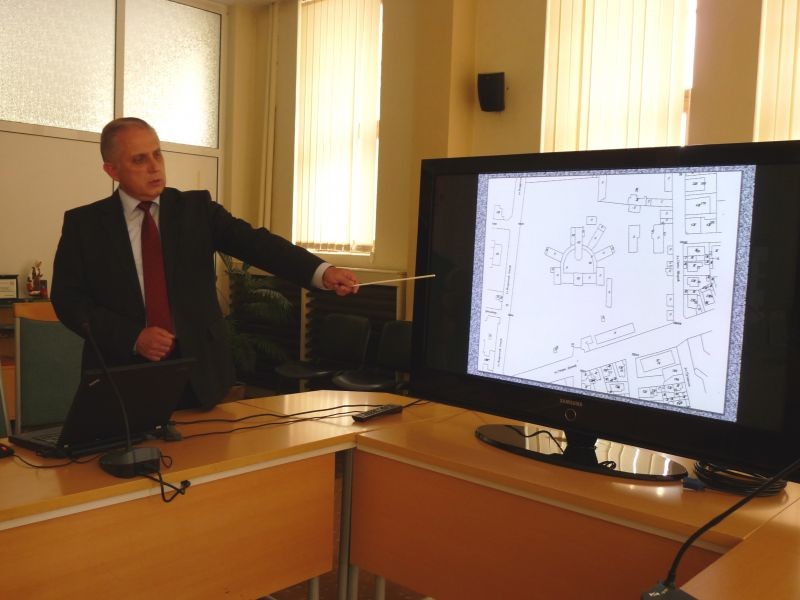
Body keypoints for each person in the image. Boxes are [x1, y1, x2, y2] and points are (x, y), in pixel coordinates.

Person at [52, 117, 359, 409]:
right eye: (139, 160)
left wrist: (321, 271)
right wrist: (132, 337)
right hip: (122, 371)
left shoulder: (196, 210)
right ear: (112, 170)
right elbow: (69, 300)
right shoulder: (84, 225)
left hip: (199, 371)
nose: (154, 167)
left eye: (157, 154)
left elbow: (258, 245)